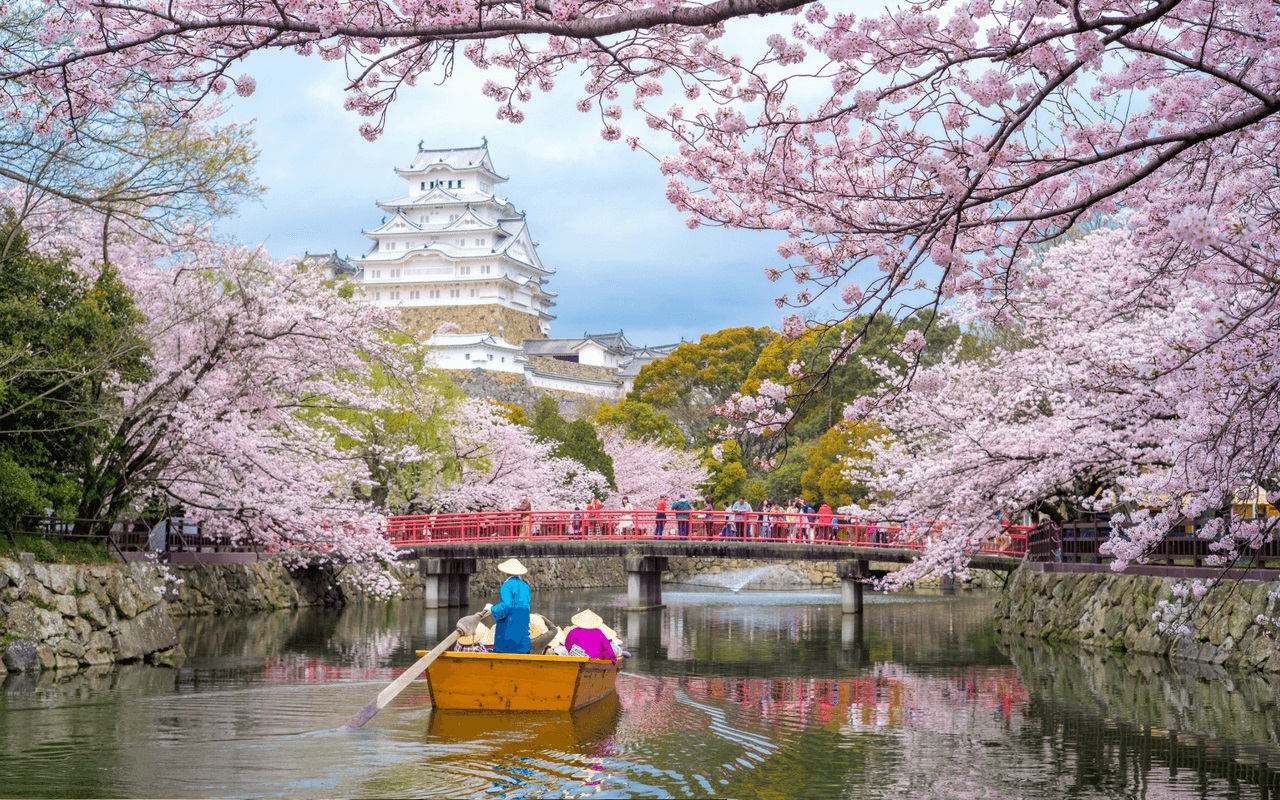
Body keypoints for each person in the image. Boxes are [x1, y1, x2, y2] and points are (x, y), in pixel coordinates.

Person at [485, 558, 531, 654]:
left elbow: (506, 606)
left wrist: (492, 609)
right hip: (523, 635)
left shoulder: (506, 586)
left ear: (506, 573)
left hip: (508, 632)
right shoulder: (525, 586)